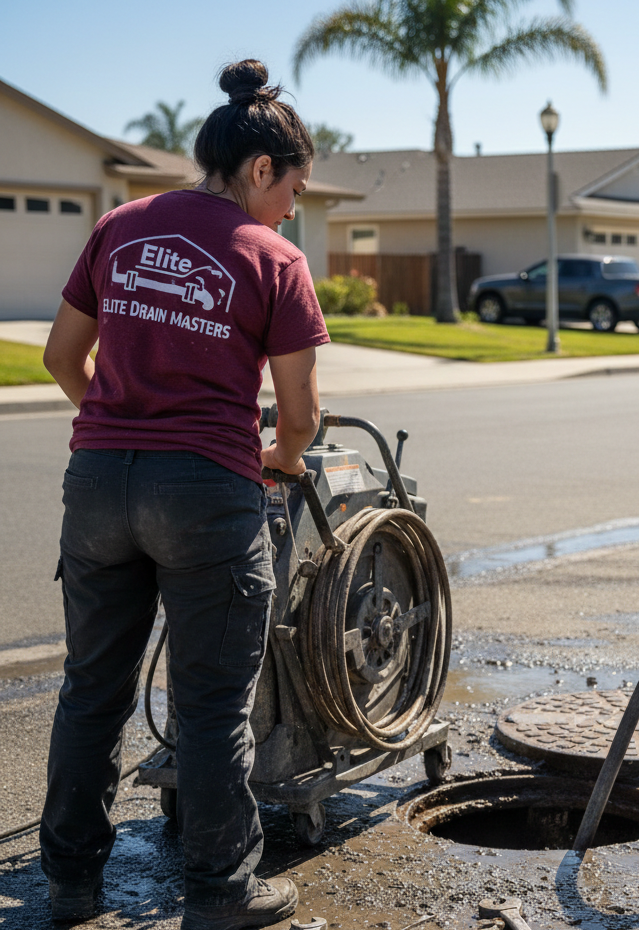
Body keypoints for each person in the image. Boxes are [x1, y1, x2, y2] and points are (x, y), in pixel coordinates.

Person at [40, 60, 328, 927]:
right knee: (208, 703)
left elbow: (60, 357)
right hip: (205, 489)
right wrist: (278, 458)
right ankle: (219, 892)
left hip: (96, 483)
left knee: (92, 689)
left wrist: (118, 422)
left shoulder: (120, 226)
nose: (292, 208)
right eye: (294, 188)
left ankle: (69, 886)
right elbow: (304, 416)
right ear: (260, 168)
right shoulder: (273, 257)